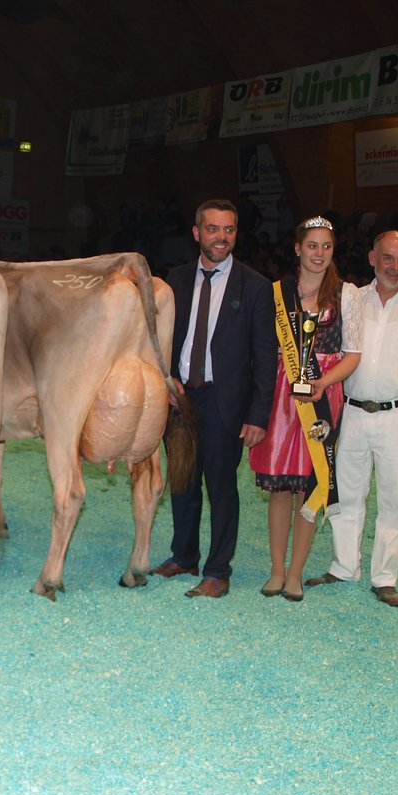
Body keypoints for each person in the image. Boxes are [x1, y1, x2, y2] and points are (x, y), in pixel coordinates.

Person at [307, 230, 398, 608]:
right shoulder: (352, 299)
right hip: (353, 412)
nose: (395, 266)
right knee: (347, 494)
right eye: (388, 257)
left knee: (393, 500)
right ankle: (343, 566)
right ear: (372, 258)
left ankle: (384, 578)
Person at [152, 198, 276, 598]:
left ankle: (218, 570)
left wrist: (258, 416)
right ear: (196, 233)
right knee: (182, 481)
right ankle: (184, 556)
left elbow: (264, 358)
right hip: (181, 401)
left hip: (226, 406)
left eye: (228, 230)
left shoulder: (255, 287)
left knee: (221, 489)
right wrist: (165, 382)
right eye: (213, 229)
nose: (221, 237)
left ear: (235, 234)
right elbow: (164, 340)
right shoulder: (176, 279)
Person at [248, 217, 361, 602]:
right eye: (312, 246)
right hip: (282, 395)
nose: (319, 254)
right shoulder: (276, 292)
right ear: (297, 248)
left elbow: (354, 355)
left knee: (310, 486)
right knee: (280, 486)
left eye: (326, 247)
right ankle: (276, 569)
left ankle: (296, 573)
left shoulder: (348, 295)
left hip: (322, 396)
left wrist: (325, 383)